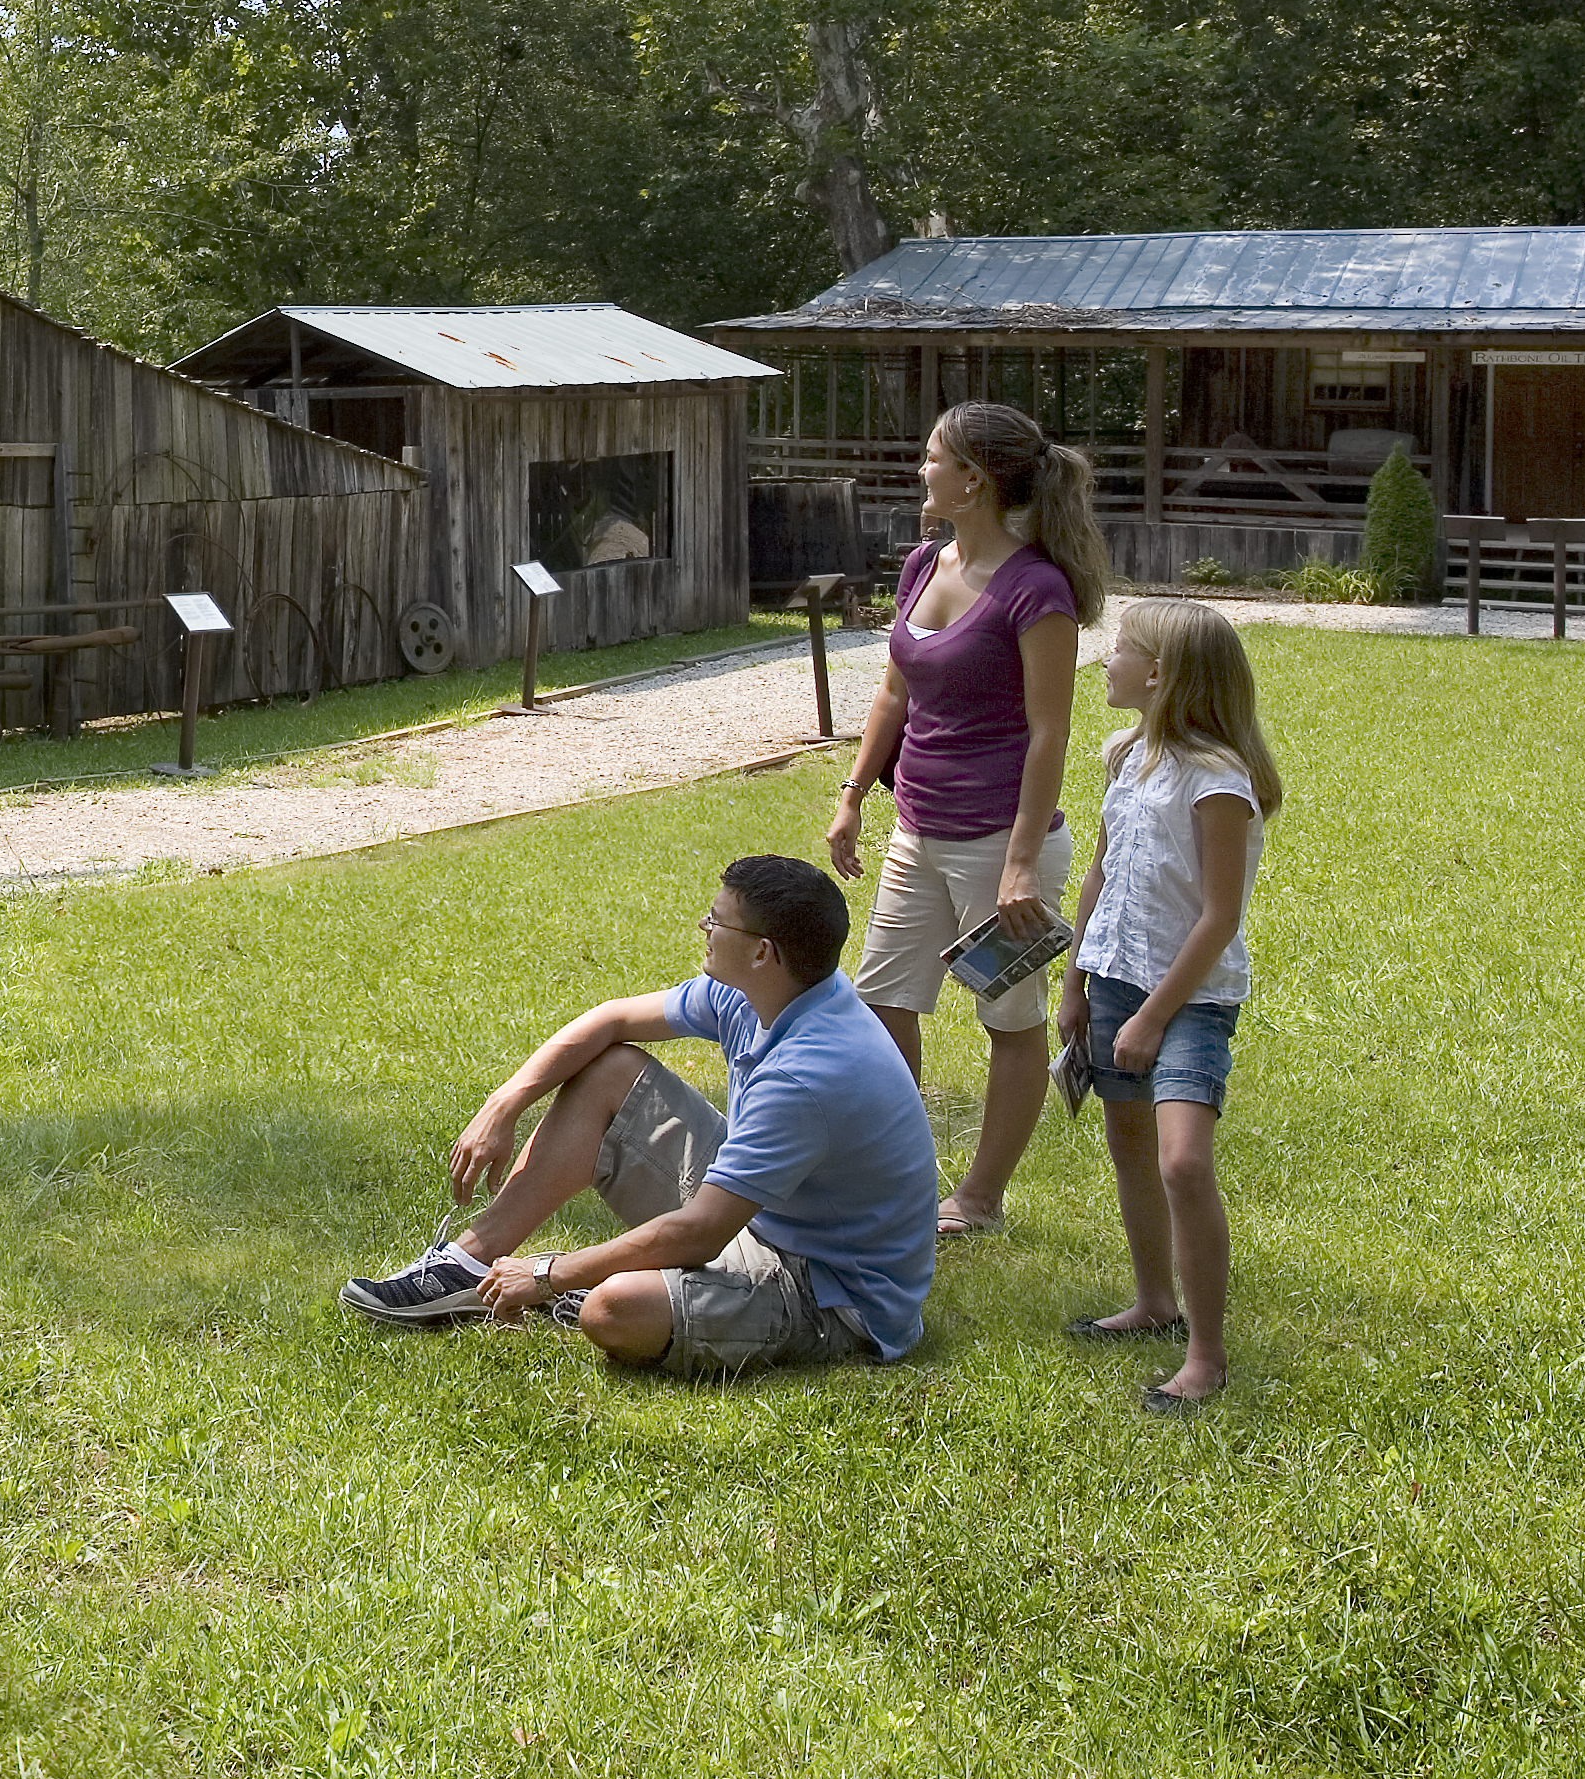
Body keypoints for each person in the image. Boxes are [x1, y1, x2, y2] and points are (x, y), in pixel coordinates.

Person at [336, 854, 938, 1374]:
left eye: (716, 920)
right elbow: (613, 1020)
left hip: (831, 1292)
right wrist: (506, 1102)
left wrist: (551, 1273)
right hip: (766, 1216)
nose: (703, 927)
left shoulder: (808, 1074)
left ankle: (563, 1290)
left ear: (762, 952)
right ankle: (467, 1266)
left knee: (613, 1309)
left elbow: (701, 1230)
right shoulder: (757, 992)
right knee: (610, 1071)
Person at [825, 399, 1110, 1236]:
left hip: (999, 846)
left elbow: (1049, 732)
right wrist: (851, 796)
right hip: (917, 830)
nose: (922, 471)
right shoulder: (924, 564)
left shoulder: (1037, 590)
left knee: (1008, 1019)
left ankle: (979, 1199)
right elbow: (893, 690)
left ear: (975, 479)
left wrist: (1022, 861)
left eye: (932, 459)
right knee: (882, 1004)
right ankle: (901, 1177)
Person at [1058, 600, 1279, 1411]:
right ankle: (1154, 1302)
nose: (1105, 661)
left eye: (1119, 650)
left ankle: (1206, 1354)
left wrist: (1154, 1016)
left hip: (1187, 999)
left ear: (1159, 674)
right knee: (1129, 1144)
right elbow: (1101, 877)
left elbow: (1220, 916)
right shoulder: (1126, 757)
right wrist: (1076, 983)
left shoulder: (1218, 780)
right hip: (1113, 979)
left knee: (1182, 1161)